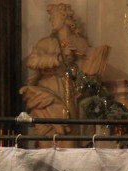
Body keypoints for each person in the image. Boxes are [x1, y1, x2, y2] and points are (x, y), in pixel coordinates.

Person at [20, 3, 110, 146]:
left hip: (72, 93)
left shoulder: (80, 43)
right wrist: (57, 59)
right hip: (50, 91)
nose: (51, 20)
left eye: (53, 16)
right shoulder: (46, 43)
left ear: (64, 17)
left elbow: (89, 66)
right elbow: (32, 61)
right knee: (48, 141)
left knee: (70, 139)